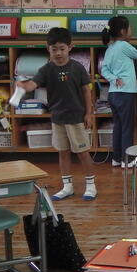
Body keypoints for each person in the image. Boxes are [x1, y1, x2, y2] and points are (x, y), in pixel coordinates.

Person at [16, 28, 97, 201]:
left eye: (62, 48)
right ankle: (67, 186)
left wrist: (88, 114)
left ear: (70, 47)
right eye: (54, 49)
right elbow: (32, 85)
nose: (58, 53)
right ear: (48, 49)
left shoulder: (77, 68)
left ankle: (91, 185)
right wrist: (23, 86)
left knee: (82, 152)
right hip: (57, 118)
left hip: (76, 117)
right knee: (63, 152)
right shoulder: (46, 69)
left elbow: (86, 91)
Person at [101, 16, 137, 168]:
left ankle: (116, 158)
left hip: (113, 93)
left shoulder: (110, 47)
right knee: (127, 127)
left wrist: (114, 78)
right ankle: (127, 160)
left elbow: (104, 70)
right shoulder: (123, 45)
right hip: (126, 93)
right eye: (130, 27)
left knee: (118, 126)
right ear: (123, 31)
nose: (131, 30)